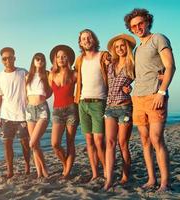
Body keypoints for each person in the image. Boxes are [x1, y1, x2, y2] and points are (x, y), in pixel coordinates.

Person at [124, 8, 176, 192]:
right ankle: (151, 180)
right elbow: (140, 72)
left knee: (156, 139)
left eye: (140, 23)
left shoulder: (158, 38)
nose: (138, 27)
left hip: (155, 96)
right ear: (131, 29)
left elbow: (170, 66)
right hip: (137, 97)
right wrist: (127, 86)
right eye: (134, 26)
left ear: (147, 22)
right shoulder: (137, 49)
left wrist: (161, 92)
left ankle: (165, 183)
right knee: (145, 140)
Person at [103, 34, 136, 191]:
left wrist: (130, 88)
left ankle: (125, 175)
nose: (120, 48)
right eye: (117, 47)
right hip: (109, 108)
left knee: (123, 143)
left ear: (127, 47)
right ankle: (108, 179)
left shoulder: (132, 63)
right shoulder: (111, 64)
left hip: (124, 107)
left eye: (122, 45)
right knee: (110, 143)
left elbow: (143, 77)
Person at [74, 29, 107, 181]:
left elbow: (116, 70)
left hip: (99, 102)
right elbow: (72, 76)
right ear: (80, 43)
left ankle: (107, 170)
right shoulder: (79, 60)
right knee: (89, 141)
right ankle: (95, 173)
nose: (86, 40)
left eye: (89, 37)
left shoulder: (103, 55)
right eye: (83, 39)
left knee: (99, 140)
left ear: (94, 39)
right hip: (82, 103)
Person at [0, 47, 30, 178]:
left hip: (23, 115)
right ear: (1, 60)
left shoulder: (23, 72)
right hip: (6, 116)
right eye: (4, 58)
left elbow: (34, 86)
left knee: (25, 143)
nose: (7, 60)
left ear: (14, 58)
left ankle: (27, 166)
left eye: (10, 57)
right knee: (7, 144)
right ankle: (10, 171)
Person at [48, 45, 78, 179]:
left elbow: (83, 88)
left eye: (64, 56)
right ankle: (66, 164)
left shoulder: (74, 74)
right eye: (58, 56)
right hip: (57, 111)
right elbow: (48, 92)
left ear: (68, 59)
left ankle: (66, 173)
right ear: (55, 59)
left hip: (72, 109)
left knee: (70, 142)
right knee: (55, 144)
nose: (61, 59)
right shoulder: (51, 75)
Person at [25, 53, 52, 178]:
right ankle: (39, 172)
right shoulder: (27, 76)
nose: (40, 61)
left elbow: (50, 92)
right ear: (33, 61)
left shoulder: (47, 74)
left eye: (42, 59)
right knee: (35, 145)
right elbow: (25, 95)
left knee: (32, 142)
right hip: (30, 110)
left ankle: (45, 168)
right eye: (37, 59)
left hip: (42, 109)